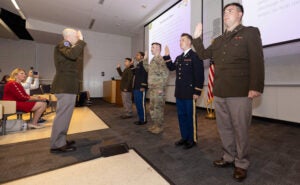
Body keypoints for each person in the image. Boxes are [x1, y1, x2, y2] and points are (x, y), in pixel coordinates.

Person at [192, 2, 264, 181]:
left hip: (240, 90)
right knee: (224, 128)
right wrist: (197, 39)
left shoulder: (250, 32)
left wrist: (255, 86)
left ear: (240, 14)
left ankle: (241, 163)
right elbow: (203, 55)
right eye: (224, 12)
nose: (226, 14)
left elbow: (257, 60)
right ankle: (228, 157)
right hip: (220, 90)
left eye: (230, 11)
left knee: (240, 129)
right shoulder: (219, 39)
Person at [164, 33, 204, 149]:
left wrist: (197, 91)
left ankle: (192, 139)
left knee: (190, 116)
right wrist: (167, 56)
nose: (180, 42)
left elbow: (199, 75)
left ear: (189, 42)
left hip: (190, 93)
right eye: (180, 40)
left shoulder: (195, 56)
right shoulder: (179, 57)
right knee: (181, 116)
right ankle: (184, 137)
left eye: (183, 40)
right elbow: (172, 68)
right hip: (180, 92)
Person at [50, 28, 86, 153]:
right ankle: (58, 143)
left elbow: (72, 56)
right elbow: (72, 54)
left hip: (67, 86)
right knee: (63, 116)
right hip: (65, 86)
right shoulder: (64, 44)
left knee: (65, 116)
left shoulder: (68, 47)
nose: (78, 37)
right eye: (76, 36)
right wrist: (81, 41)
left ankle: (61, 140)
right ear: (69, 36)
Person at [147, 42, 169, 134]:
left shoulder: (161, 59)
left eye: (153, 47)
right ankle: (155, 124)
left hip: (158, 88)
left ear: (158, 49)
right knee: (152, 107)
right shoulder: (153, 60)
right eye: (151, 47)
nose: (151, 48)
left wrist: (161, 88)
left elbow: (165, 74)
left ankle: (159, 127)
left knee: (158, 108)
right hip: (152, 88)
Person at [132, 51, 148, 125]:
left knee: (141, 104)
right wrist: (132, 65)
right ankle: (140, 119)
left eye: (138, 55)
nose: (136, 56)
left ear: (142, 56)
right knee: (137, 104)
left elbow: (145, 75)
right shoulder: (138, 64)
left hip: (141, 87)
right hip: (136, 87)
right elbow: (133, 73)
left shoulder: (144, 64)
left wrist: (143, 86)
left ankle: (143, 120)